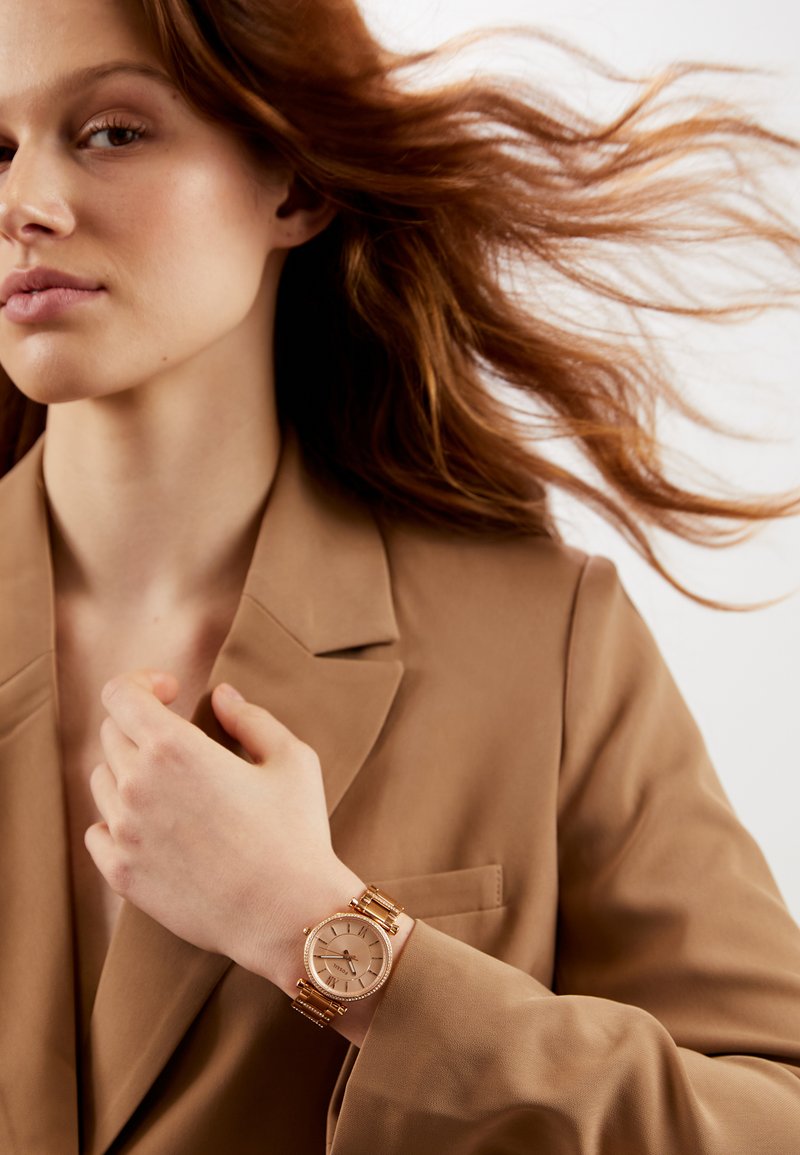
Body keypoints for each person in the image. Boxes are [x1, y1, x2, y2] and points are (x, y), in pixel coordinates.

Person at [0, 0, 798, 1151]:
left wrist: (326, 936)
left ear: (293, 183)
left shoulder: (542, 644)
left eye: (113, 132)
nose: (25, 203)